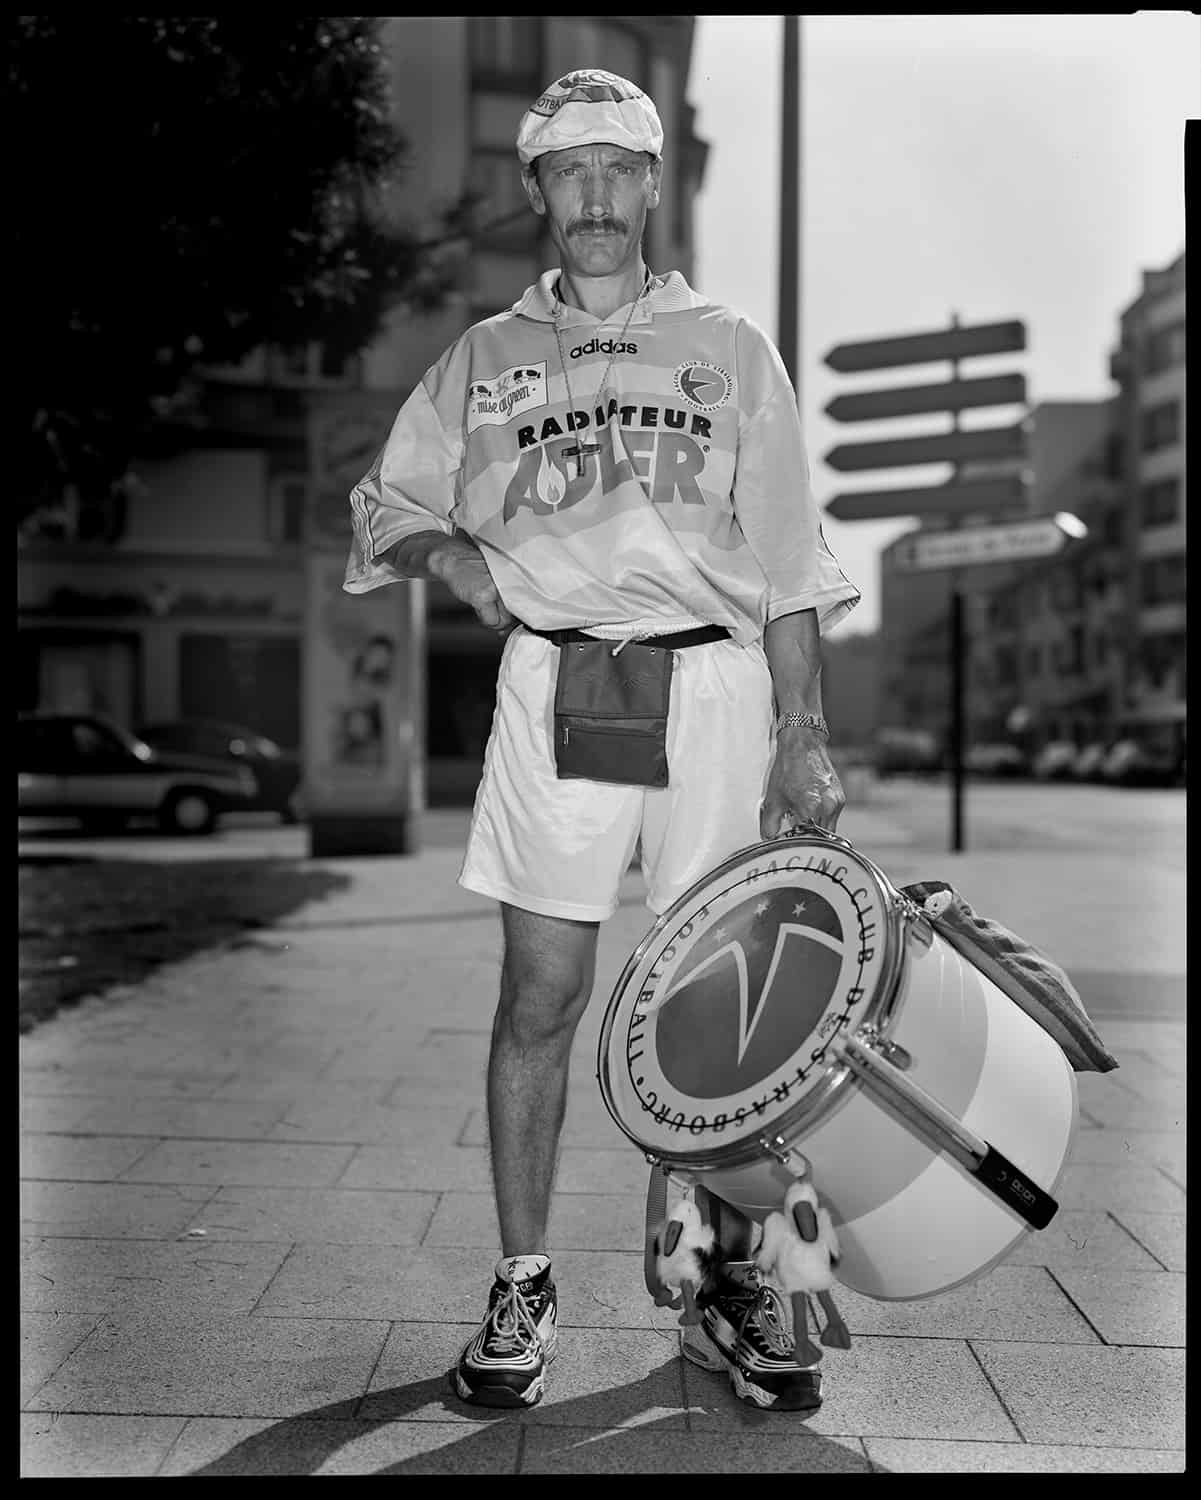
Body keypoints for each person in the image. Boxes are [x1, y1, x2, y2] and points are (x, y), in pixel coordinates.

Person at [344, 68, 860, 1413]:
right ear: (538, 196)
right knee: (542, 999)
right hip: (561, 686)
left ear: (653, 185)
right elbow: (386, 501)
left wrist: (804, 731)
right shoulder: (484, 358)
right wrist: (457, 555)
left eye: (616, 169)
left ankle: (718, 1275)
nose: (593, 197)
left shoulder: (733, 347)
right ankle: (523, 1282)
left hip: (716, 692)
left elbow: (795, 560)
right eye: (566, 172)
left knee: (719, 1015)